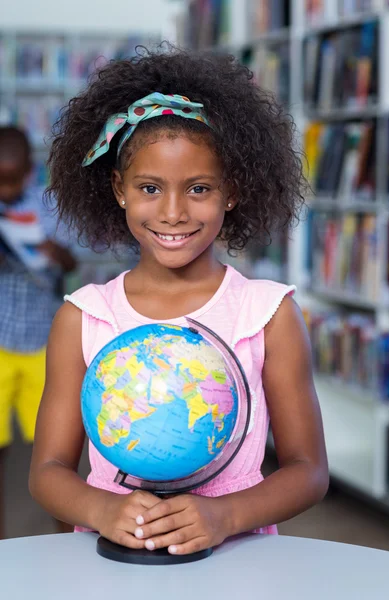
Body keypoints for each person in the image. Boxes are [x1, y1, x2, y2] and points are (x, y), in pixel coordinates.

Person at [29, 46, 329, 556]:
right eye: (150, 187)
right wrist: (101, 508)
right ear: (119, 189)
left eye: (198, 189)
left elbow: (309, 470)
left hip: (241, 561)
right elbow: (47, 472)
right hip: (115, 563)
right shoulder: (84, 317)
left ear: (232, 192)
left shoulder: (267, 314)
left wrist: (225, 515)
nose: (173, 212)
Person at [0, 126, 76, 539]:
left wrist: (48, 250)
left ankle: (67, 540)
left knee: (56, 454)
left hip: (42, 344)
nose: (7, 188)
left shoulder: (47, 209)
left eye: (13, 179)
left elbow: (69, 264)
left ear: (30, 172)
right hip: (0, 342)